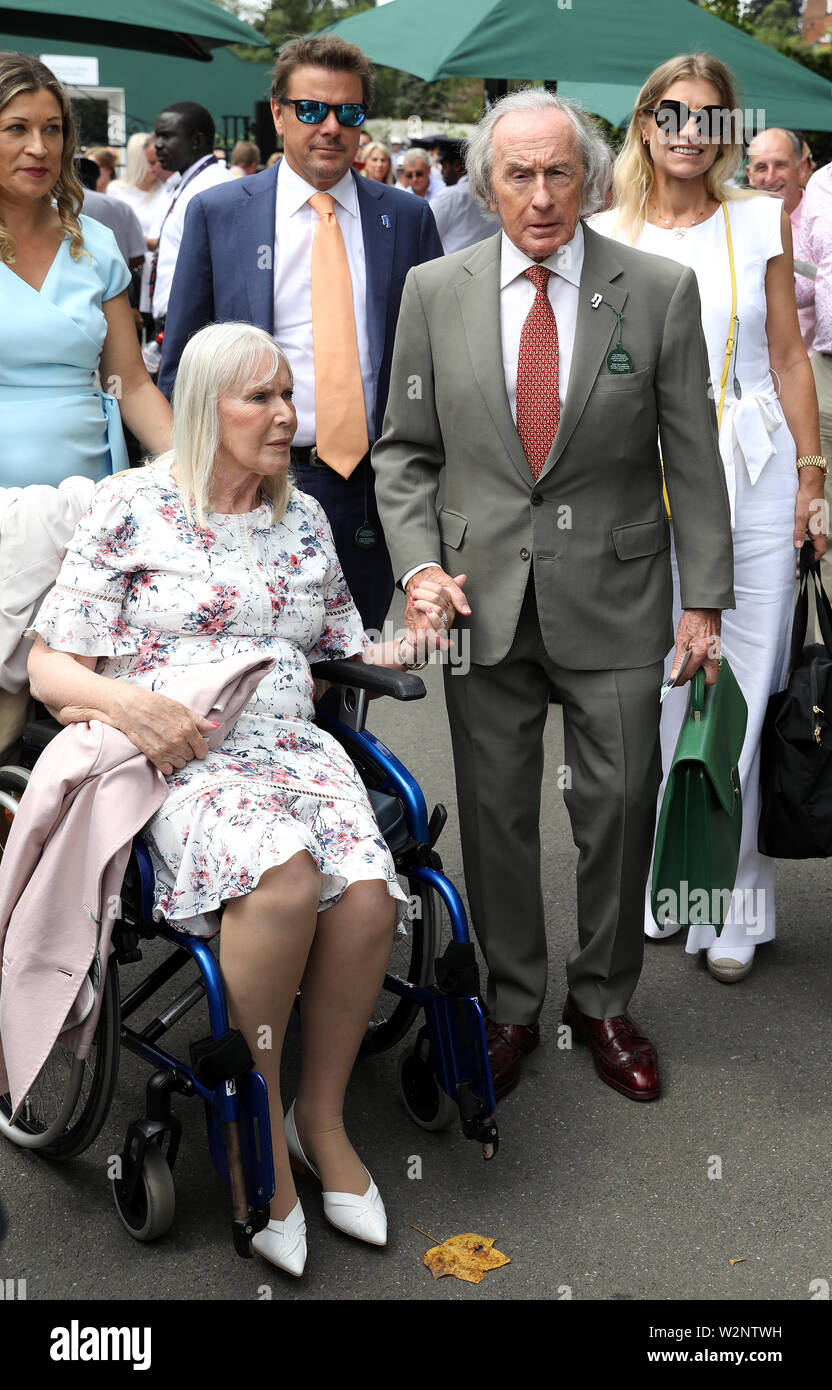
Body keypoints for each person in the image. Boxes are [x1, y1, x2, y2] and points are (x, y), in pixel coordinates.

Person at [25, 320, 449, 1277]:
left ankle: (319, 1118)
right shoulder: (132, 505)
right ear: (205, 408)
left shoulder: (302, 518)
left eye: (289, 394)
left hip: (294, 747)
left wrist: (417, 639)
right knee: (284, 880)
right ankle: (252, 1132)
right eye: (261, 397)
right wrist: (130, 705)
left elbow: (342, 649)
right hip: (173, 755)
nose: (287, 414)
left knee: (369, 893)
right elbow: (50, 667)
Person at [373, 87, 735, 1104]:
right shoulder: (434, 290)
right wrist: (419, 569)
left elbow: (691, 454)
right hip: (477, 602)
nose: (540, 195)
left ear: (590, 178)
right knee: (495, 817)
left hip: (618, 596)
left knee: (617, 807)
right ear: (487, 185)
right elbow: (404, 453)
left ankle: (604, 1001)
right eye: (518, 174)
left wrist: (704, 600)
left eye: (558, 172)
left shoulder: (657, 289)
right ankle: (511, 1005)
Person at [592, 53, 825, 983]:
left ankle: (738, 901)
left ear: (729, 131)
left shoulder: (759, 218)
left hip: (754, 478)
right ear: (645, 123)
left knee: (744, 692)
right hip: (641, 487)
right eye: (672, 113)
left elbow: (790, 355)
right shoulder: (603, 232)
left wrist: (813, 477)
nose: (690, 132)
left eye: (710, 117)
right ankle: (679, 875)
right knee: (664, 689)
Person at [157, 35, 444, 634]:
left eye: (349, 112)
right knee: (257, 664)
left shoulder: (406, 218)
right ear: (279, 113)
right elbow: (183, 361)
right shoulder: (219, 214)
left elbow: (437, 358)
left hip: (371, 486)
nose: (331, 127)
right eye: (312, 109)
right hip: (253, 482)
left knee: (357, 660)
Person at [0, 52, 171, 488]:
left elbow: (129, 384)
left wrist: (193, 469)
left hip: (92, 502)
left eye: (52, 129)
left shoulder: (95, 242)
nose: (39, 147)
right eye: (17, 128)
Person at [150, 101, 234, 326]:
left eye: (167, 136)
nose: (157, 145)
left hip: (194, 326)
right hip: (176, 322)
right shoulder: (189, 182)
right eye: (157, 136)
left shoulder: (215, 186)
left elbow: (219, 270)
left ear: (197, 140)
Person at [747, 127, 814, 352]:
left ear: (801, 169)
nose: (770, 177)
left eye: (781, 165)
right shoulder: (735, 225)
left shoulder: (823, 222)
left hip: (815, 364)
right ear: (749, 175)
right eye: (761, 167)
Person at [108, 132, 174, 333]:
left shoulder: (165, 190)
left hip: (156, 269)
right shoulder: (118, 190)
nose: (156, 167)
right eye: (151, 161)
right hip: (129, 269)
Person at [75, 155, 146, 272]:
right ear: (96, 178)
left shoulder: (51, 204)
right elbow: (137, 257)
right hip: (114, 279)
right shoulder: (121, 207)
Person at [429, 137, 499, 253]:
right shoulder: (493, 193)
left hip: (454, 264)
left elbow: (426, 237)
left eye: (444, 166)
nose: (441, 172)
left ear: (457, 166)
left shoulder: (447, 198)